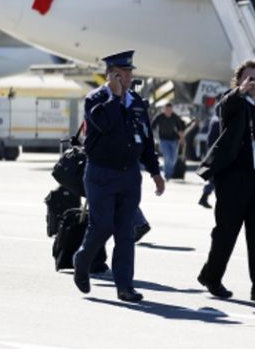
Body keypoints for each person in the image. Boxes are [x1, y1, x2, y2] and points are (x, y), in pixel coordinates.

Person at [72, 50, 165, 303]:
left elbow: (146, 139)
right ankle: (82, 259)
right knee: (102, 225)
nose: (128, 76)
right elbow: (106, 125)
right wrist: (114, 96)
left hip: (129, 174)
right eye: (123, 73)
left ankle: (125, 286)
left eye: (129, 72)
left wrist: (155, 171)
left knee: (125, 231)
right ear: (111, 75)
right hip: (101, 172)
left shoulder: (136, 101)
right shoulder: (96, 99)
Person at [196, 60, 255, 303]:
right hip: (233, 177)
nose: (254, 82)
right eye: (249, 78)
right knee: (226, 233)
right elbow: (223, 108)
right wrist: (239, 91)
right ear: (239, 80)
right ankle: (212, 276)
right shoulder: (232, 101)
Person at [151, 103, 185, 180]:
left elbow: (180, 129)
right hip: (163, 140)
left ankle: (170, 172)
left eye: (170, 110)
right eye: (167, 110)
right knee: (167, 157)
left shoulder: (175, 117)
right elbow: (152, 127)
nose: (168, 111)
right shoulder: (159, 117)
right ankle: (167, 174)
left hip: (174, 140)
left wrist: (182, 140)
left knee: (173, 158)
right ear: (164, 110)